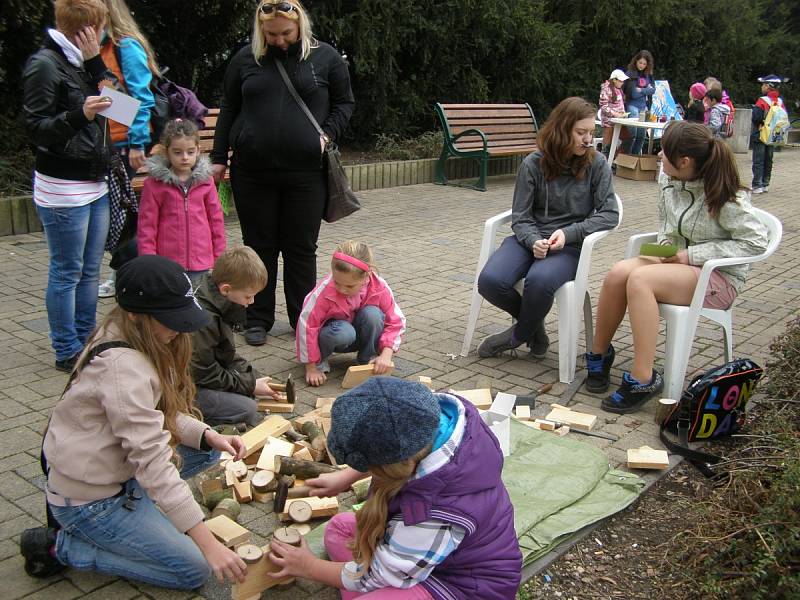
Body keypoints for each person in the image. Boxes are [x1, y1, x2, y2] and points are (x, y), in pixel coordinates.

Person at [19, 255, 248, 588]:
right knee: (194, 570)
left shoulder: (133, 334)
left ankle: (149, 510)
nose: (179, 328)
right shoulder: (122, 369)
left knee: (209, 449)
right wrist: (208, 544)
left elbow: (156, 416)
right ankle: (62, 547)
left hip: (117, 471)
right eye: (171, 319)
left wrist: (207, 434)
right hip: (91, 502)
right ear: (135, 315)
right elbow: (152, 460)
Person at [267, 377, 523, 599]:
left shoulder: (431, 514)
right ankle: (384, 583)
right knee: (338, 530)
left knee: (372, 573)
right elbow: (395, 445)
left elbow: (380, 573)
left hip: (462, 587)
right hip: (427, 556)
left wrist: (309, 568)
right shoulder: (427, 421)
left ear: (394, 467)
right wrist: (346, 476)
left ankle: (381, 585)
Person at [584, 121, 769, 414]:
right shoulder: (670, 181)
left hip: (718, 279)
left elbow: (757, 242)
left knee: (641, 280)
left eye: (664, 152)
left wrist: (691, 255)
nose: (659, 156)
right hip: (680, 265)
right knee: (619, 272)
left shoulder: (726, 195)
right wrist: (666, 251)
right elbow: (670, 230)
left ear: (684, 162)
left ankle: (643, 378)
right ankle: (599, 355)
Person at [211, 0, 355, 346]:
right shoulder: (246, 58)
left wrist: (327, 134)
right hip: (252, 171)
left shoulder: (326, 57)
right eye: (270, 34)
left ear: (300, 25)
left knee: (300, 249)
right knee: (259, 248)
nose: (278, 40)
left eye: (285, 33)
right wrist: (219, 156)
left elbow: (345, 102)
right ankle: (257, 317)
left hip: (306, 173)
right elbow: (230, 106)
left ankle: (301, 318)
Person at [476, 97, 619, 359]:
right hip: (528, 240)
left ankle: (516, 336)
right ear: (561, 129)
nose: (588, 139)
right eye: (581, 132)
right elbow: (520, 216)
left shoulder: (596, 164)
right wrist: (532, 241)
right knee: (490, 281)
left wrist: (569, 233)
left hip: (569, 247)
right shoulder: (533, 163)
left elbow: (610, 214)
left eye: (591, 132)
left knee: (539, 281)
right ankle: (533, 328)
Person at [22, 0, 116, 372]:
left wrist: (96, 65)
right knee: (67, 270)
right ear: (89, 28)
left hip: (96, 180)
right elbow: (36, 128)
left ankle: (85, 338)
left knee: (91, 268)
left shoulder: (84, 63)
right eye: (103, 26)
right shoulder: (44, 65)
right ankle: (66, 348)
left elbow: (123, 109)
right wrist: (81, 115)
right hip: (62, 186)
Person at [97, 0, 160, 298]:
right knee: (117, 219)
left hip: (123, 144)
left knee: (123, 218)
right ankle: (125, 274)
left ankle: (126, 276)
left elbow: (141, 98)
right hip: (101, 142)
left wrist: (137, 141)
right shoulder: (95, 47)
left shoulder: (124, 46)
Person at [192, 246, 280, 427]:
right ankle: (192, 416)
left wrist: (252, 377)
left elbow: (225, 354)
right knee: (247, 408)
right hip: (186, 386)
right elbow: (204, 372)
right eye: (248, 296)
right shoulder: (204, 320)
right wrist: (249, 385)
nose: (252, 302)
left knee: (248, 386)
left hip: (198, 376)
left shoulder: (216, 297)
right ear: (226, 289)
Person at [297, 241, 406, 387]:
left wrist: (386, 355)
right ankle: (319, 361)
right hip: (335, 336)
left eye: (349, 286)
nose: (342, 290)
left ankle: (368, 359)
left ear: (366, 276)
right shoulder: (324, 291)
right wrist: (310, 367)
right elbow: (306, 326)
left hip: (359, 334)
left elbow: (396, 321)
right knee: (343, 331)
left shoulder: (379, 286)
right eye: (337, 282)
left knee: (373, 314)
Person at [137, 118, 227, 287]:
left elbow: (216, 222)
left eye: (190, 152)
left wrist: (219, 258)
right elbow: (147, 227)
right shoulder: (155, 184)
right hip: (167, 264)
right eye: (177, 152)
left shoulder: (206, 182)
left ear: (198, 150)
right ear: (167, 152)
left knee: (199, 306)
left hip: (201, 262)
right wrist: (148, 262)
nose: (184, 157)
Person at [751, 74, 787, 195]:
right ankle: (766, 184)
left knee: (758, 160)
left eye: (763, 84)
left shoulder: (762, 101)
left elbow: (756, 118)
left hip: (761, 134)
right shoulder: (780, 102)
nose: (762, 87)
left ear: (768, 86)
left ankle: (757, 185)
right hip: (773, 135)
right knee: (768, 159)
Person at [623, 50, 655, 155]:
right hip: (632, 106)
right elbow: (633, 94)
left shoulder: (648, 75)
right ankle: (627, 157)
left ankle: (635, 158)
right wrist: (646, 89)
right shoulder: (630, 74)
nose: (642, 65)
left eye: (644, 64)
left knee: (641, 136)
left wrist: (641, 90)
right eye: (640, 62)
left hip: (644, 107)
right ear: (636, 61)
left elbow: (653, 90)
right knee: (633, 134)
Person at [598, 69, 629, 158]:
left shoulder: (618, 89)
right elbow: (603, 107)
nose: (622, 83)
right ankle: (604, 167)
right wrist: (615, 114)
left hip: (620, 121)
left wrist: (622, 112)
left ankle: (617, 160)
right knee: (607, 146)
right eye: (620, 81)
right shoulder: (606, 90)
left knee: (628, 139)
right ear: (614, 80)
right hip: (609, 123)